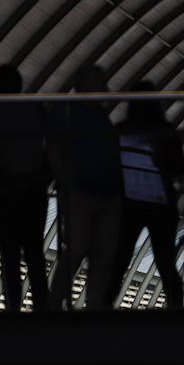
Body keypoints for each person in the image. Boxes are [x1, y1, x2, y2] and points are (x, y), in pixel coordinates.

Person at [48, 64, 123, 309]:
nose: (106, 90)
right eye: (102, 85)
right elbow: (55, 150)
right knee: (86, 249)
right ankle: (67, 300)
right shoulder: (81, 114)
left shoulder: (90, 115)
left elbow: (55, 149)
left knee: (95, 251)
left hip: (99, 192)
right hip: (84, 191)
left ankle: (79, 301)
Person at [108, 80, 184, 309]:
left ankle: (104, 305)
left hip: (128, 202)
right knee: (165, 260)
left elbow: (110, 165)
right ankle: (175, 305)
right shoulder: (167, 132)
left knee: (120, 258)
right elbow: (177, 168)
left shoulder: (121, 130)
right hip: (160, 201)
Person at [0, 64, 51, 311]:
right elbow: (52, 148)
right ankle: (41, 307)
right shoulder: (37, 111)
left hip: (4, 192)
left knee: (9, 257)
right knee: (35, 253)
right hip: (33, 191)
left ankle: (13, 307)